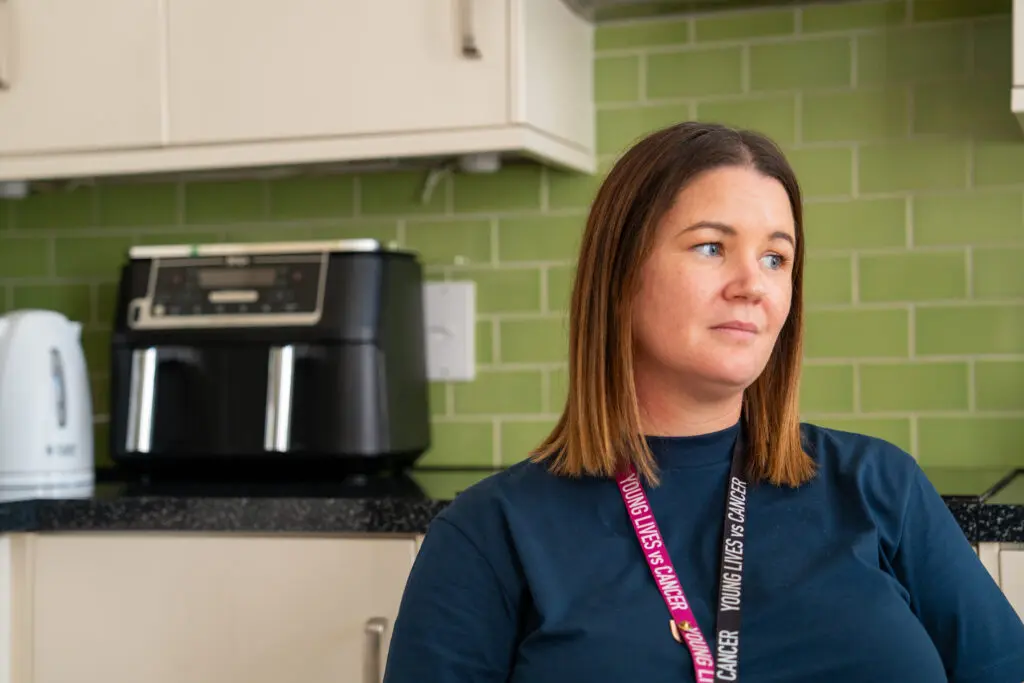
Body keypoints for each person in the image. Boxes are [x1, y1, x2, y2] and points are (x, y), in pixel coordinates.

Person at [382, 122, 1024, 683]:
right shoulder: (490, 533)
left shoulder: (881, 485)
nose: (753, 285)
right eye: (712, 247)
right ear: (621, 275)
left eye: (776, 257)